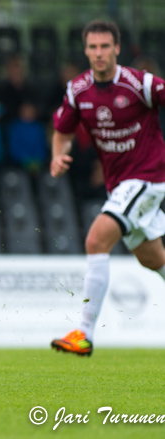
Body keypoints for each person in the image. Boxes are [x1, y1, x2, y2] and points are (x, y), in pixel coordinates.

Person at [50, 20, 165, 357]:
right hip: (119, 186)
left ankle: (83, 334)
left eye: (105, 46)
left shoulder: (139, 84)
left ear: (117, 48)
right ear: (86, 50)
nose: (99, 53)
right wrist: (58, 156)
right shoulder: (78, 90)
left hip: (148, 178)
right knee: (153, 259)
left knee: (96, 239)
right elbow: (63, 130)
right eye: (93, 47)